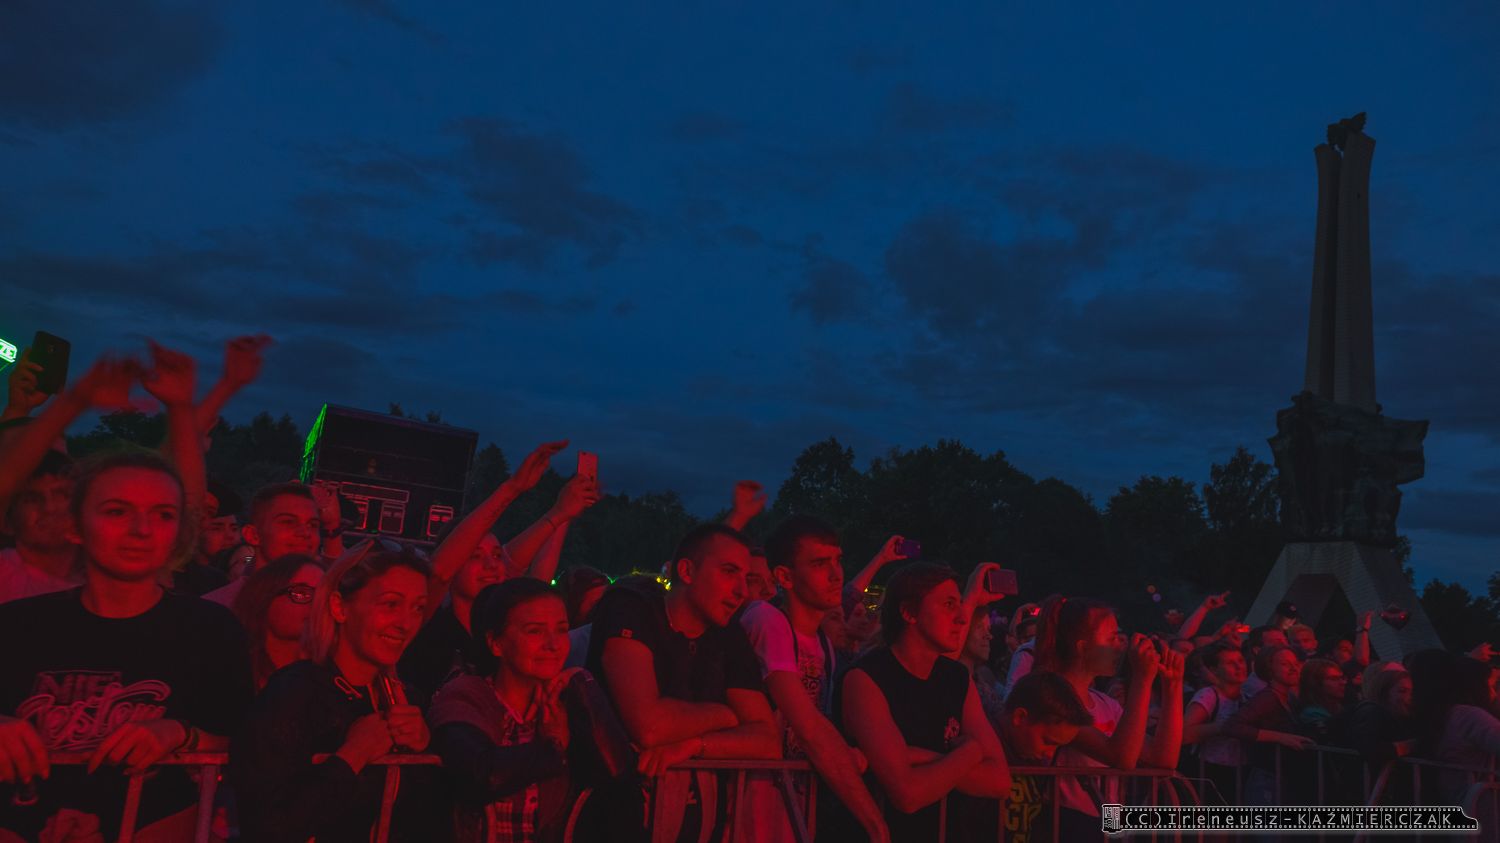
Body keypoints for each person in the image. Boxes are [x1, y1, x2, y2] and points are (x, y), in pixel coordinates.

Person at [0, 446, 253, 840]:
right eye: (117, 511)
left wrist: (180, 734)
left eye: (163, 515)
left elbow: (242, 738)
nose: (142, 529)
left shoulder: (211, 630)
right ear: (75, 526)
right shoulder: (16, 625)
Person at [586, 523, 779, 843]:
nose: (742, 591)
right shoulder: (631, 607)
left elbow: (767, 741)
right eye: (729, 572)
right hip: (611, 821)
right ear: (687, 571)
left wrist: (693, 746)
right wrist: (726, 715)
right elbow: (649, 727)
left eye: (746, 578)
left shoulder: (729, 634)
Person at [233, 539, 435, 842]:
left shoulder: (407, 701)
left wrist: (426, 750)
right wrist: (352, 756)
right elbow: (268, 825)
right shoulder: (296, 693)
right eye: (391, 604)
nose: (405, 624)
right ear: (340, 607)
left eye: (418, 608)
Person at [402, 443, 596, 700]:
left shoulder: (504, 631)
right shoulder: (426, 625)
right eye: (475, 556)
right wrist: (513, 487)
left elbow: (534, 581)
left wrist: (562, 515)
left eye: (496, 556)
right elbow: (439, 571)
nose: (492, 565)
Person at [739, 516, 887, 843]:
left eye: (837, 561)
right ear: (784, 577)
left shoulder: (824, 646)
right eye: (820, 564)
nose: (836, 574)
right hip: (748, 812)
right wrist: (875, 825)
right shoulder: (766, 619)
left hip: (791, 811)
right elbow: (809, 728)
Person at [839, 562, 1010, 843]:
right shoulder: (866, 679)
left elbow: (1000, 780)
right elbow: (907, 794)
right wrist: (970, 752)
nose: (961, 618)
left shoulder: (956, 678)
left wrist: (922, 757)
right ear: (909, 612)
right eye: (948, 605)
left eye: (959, 605)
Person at [1031, 594, 1184, 841]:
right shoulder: (1053, 700)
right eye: (1111, 638)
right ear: (1082, 647)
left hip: (1108, 820)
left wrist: (1173, 685)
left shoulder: (1105, 703)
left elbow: (1164, 759)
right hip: (1068, 823)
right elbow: (1122, 757)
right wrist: (1142, 679)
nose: (1119, 647)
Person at [996, 672, 1095, 843]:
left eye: (1058, 747)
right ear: (1020, 717)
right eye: (1048, 742)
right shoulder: (985, 750)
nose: (1050, 754)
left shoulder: (1032, 760)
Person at [1222, 645, 1316, 804]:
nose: (1294, 668)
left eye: (1295, 663)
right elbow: (1232, 725)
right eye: (1285, 664)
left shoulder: (1289, 698)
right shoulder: (1267, 698)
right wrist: (1279, 737)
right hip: (1267, 782)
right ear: (1269, 668)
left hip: (1281, 778)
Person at [231, 554, 325, 691]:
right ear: (264, 598)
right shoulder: (231, 669)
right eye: (301, 593)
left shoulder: (332, 676)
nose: (316, 604)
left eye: (322, 596)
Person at [0, 451, 81, 604]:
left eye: (61, 494)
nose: (49, 507)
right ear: (7, 523)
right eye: (31, 499)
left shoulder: (107, 570)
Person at [1181, 642, 1248, 804]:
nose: (1238, 667)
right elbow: (1185, 734)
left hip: (1241, 769)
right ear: (1214, 669)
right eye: (1230, 663)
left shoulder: (1247, 697)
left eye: (1240, 661)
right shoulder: (1208, 695)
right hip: (1210, 771)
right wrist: (1222, 727)